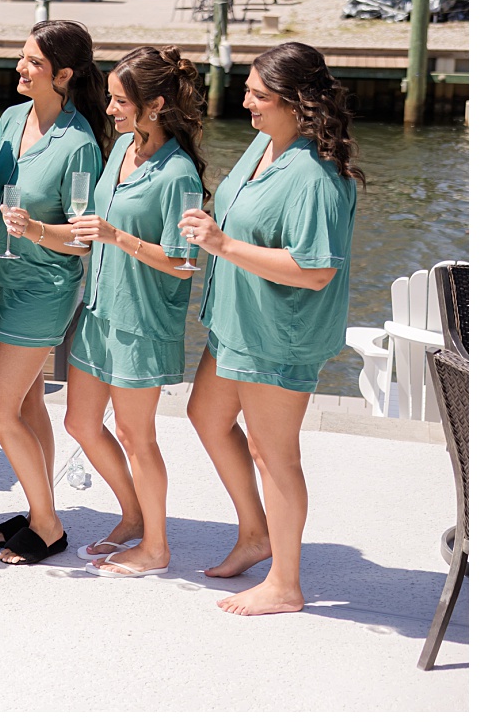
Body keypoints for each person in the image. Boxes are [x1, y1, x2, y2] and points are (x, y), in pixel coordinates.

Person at [183, 42, 361, 615]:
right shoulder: (265, 144)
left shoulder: (316, 177)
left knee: (273, 453)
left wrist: (222, 243)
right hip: (236, 319)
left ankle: (286, 583)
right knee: (206, 416)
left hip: (279, 333)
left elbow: (314, 271)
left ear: (297, 103)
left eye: (259, 96)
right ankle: (256, 533)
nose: (246, 103)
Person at [64, 46, 208, 579]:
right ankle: (132, 515)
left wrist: (115, 236)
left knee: (135, 435)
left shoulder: (178, 175)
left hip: (142, 321)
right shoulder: (122, 150)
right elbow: (95, 225)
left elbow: (182, 263)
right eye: (110, 99)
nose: (110, 110)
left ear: (155, 105)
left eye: (121, 101)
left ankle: (157, 546)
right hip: (100, 310)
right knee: (80, 421)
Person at [0, 19, 107, 566]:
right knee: (27, 401)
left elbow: (83, 239)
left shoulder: (79, 144)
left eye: (32, 61)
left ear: (64, 75)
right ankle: (38, 509)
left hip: (44, 287)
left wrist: (34, 230)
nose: (19, 68)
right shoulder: (11, 118)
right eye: (22, 57)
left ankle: (50, 527)